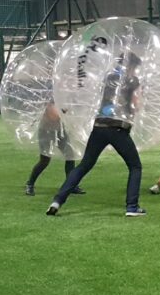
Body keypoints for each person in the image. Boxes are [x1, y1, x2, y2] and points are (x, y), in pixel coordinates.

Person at [46, 50, 145, 217]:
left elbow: (92, 97)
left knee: (84, 165)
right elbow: (136, 104)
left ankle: (57, 201)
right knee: (135, 166)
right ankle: (132, 207)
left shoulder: (107, 77)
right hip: (118, 128)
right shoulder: (132, 80)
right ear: (131, 66)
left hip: (99, 126)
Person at [25, 101, 85, 196]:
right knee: (45, 160)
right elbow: (54, 116)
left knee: (70, 156)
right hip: (46, 132)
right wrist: (66, 110)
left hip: (60, 131)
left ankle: (71, 185)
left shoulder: (63, 98)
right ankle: (30, 184)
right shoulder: (49, 100)